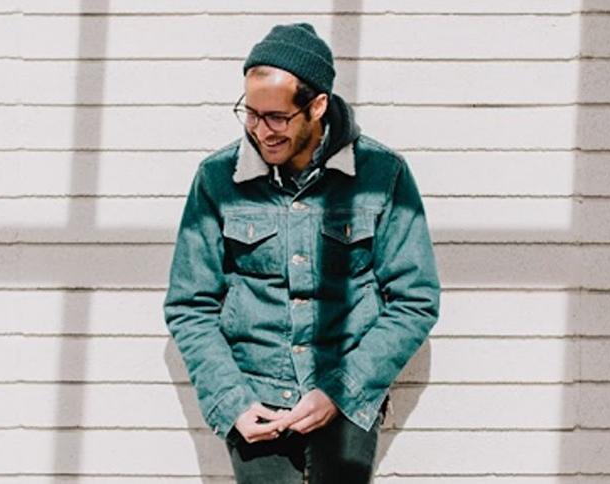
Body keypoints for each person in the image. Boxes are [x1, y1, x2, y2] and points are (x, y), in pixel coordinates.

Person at [164, 22, 440, 483]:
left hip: (346, 399)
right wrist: (231, 401)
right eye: (250, 114)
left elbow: (416, 300)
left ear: (317, 106)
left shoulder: (382, 175)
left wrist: (340, 391)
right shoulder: (216, 180)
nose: (260, 130)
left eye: (276, 117)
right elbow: (189, 303)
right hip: (255, 399)